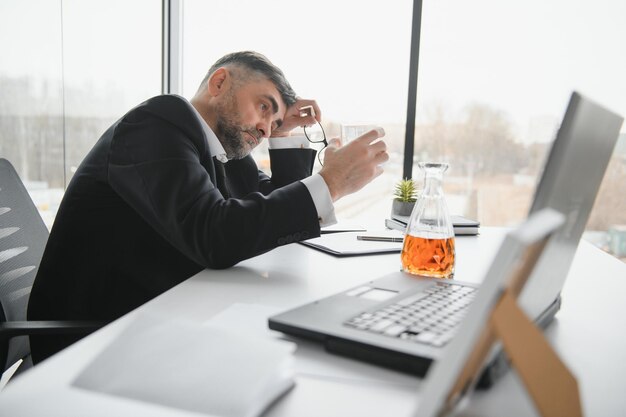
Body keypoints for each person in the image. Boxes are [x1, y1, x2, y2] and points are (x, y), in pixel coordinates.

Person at [27, 51, 388, 363]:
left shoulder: (223, 148)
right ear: (219, 83)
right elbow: (213, 234)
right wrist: (331, 182)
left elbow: (267, 211)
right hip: (96, 335)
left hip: (165, 312)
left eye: (274, 121)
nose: (264, 127)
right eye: (264, 107)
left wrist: (282, 136)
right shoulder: (157, 123)